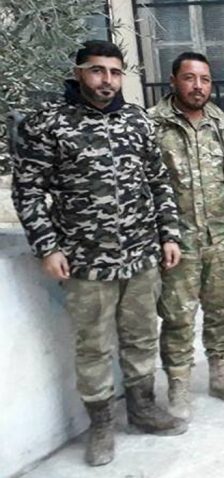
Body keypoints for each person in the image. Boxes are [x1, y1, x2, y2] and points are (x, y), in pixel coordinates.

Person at [12, 40, 186, 466]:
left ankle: (142, 409)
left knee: (141, 336)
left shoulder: (137, 121)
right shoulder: (49, 123)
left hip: (142, 255)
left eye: (113, 72)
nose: (106, 80)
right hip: (86, 261)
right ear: (78, 73)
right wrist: (46, 246)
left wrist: (169, 234)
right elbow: (28, 189)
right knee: (93, 346)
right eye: (97, 71)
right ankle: (102, 425)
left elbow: (158, 182)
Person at [150, 52, 224, 421]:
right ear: (173, 81)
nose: (198, 86)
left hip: (220, 237)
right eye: (190, 78)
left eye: (205, 79)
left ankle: (221, 375)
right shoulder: (153, 126)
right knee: (177, 316)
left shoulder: (222, 125)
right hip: (178, 243)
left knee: (223, 310)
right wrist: (161, 237)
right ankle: (178, 385)